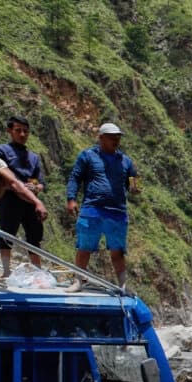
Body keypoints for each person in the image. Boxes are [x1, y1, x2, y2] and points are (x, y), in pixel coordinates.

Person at [65, 122, 140, 291]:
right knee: (84, 247)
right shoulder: (87, 156)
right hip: (92, 210)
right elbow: (75, 177)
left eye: (118, 137)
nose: (116, 141)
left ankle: (123, 285)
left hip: (117, 213)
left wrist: (136, 188)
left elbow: (135, 182)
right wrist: (71, 199)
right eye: (112, 137)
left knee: (118, 251)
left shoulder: (126, 161)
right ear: (100, 138)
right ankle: (78, 281)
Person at [0, 123, 48, 267]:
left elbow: (15, 183)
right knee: (7, 232)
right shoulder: (5, 150)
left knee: (1, 179)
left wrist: (37, 202)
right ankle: (5, 268)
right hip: (10, 202)